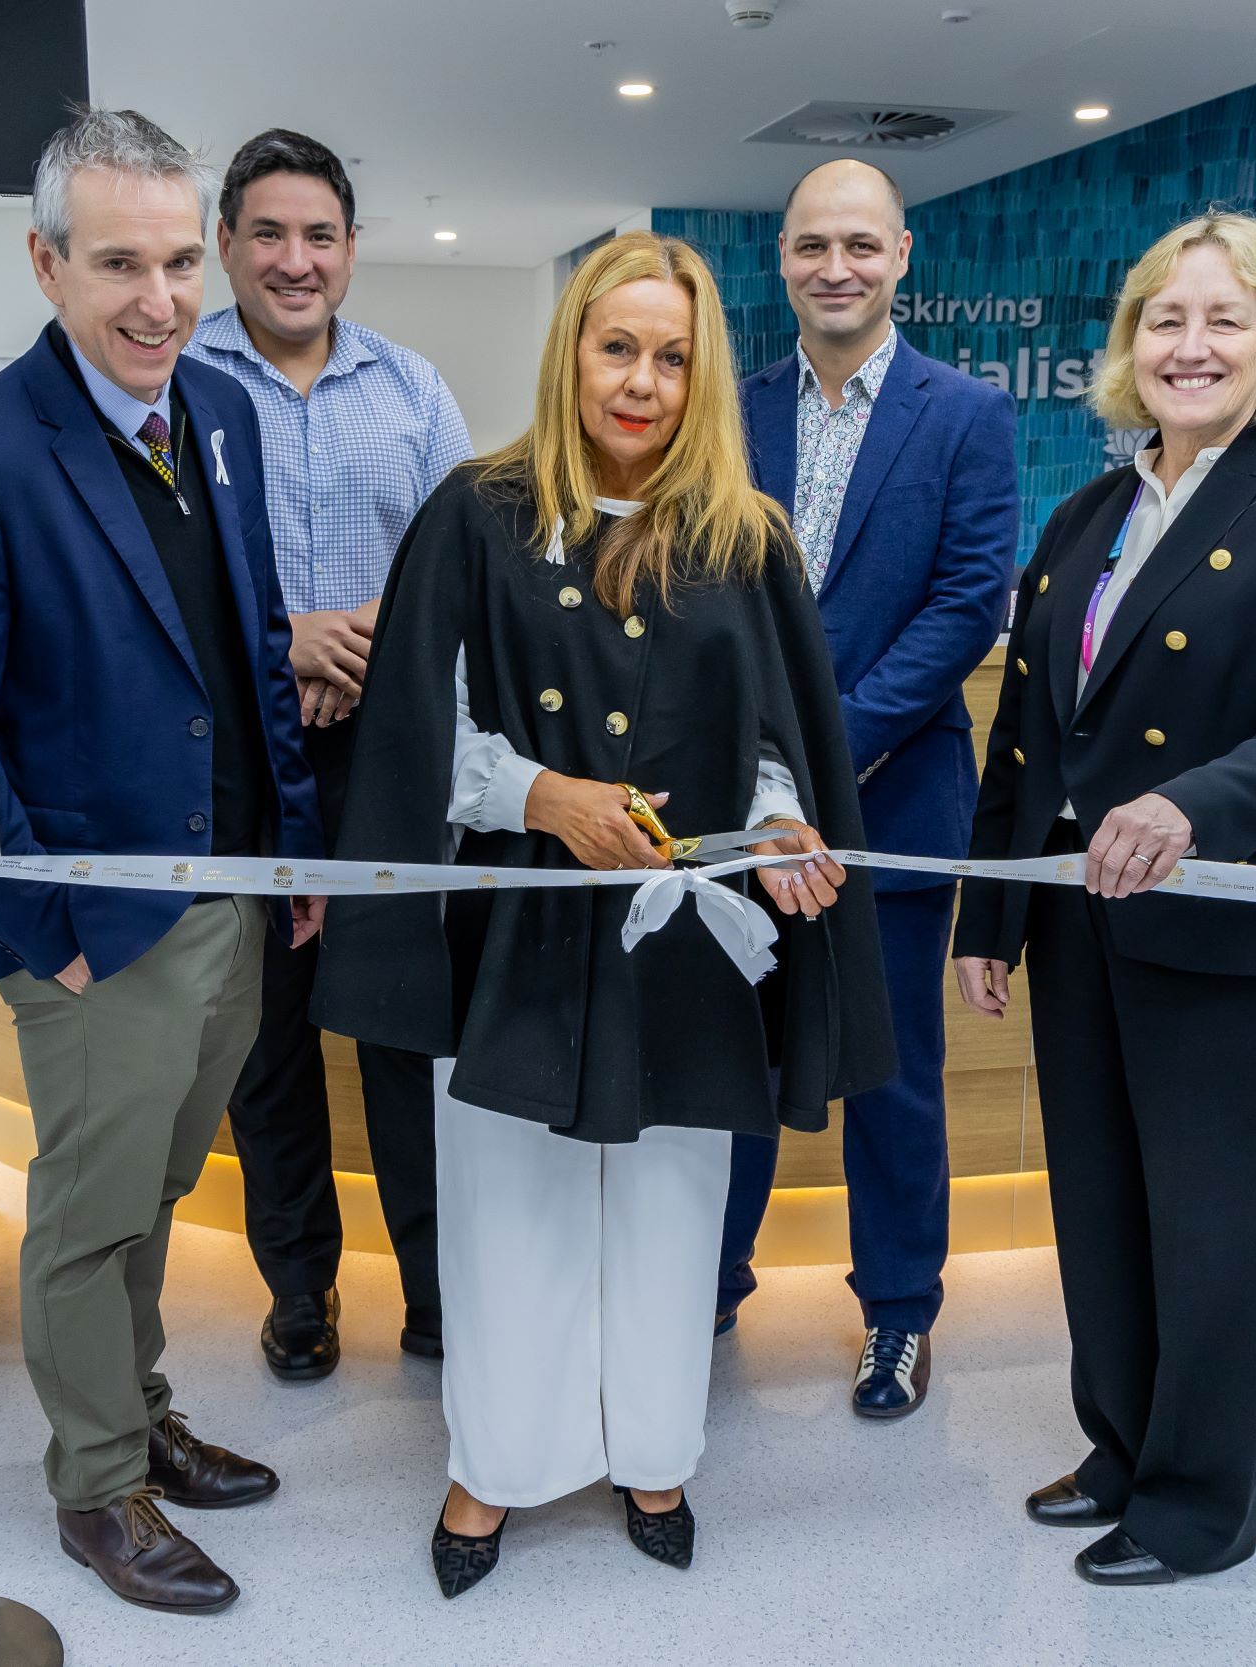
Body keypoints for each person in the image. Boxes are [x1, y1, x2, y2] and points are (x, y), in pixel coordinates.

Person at [317, 231, 897, 1598]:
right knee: (504, 1208)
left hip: (685, 945)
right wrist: (542, 793)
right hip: (514, 936)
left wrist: (780, 824)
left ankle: (654, 1449)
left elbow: (771, 744)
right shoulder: (477, 514)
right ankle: (493, 1464)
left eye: (672, 355)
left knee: (670, 1204)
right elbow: (421, 737)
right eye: (617, 346)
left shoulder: (745, 542)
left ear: (700, 377)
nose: (641, 380)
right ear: (571, 348)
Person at [951, 211, 1256, 1586]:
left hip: (1236, 922)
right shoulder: (1089, 511)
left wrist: (1194, 802)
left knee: (1218, 1227)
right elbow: (1026, 730)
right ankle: (1123, 1444)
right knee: (1101, 1205)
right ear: (1129, 345)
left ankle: (1198, 1503)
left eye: (1223, 320)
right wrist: (991, 915)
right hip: (1085, 919)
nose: (1189, 346)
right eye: (1164, 319)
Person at [0, 107, 323, 1615]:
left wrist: (291, 855)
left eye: (177, 261)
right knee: (89, 1208)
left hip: (226, 892)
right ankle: (98, 1483)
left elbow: (253, 650)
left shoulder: (213, 411)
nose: (158, 298)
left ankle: (139, 1406)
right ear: (46, 262)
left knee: (160, 1183)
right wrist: (46, 926)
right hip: (98, 921)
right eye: (118, 264)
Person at [714, 160, 1018, 1417]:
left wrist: (825, 760)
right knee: (727, 1057)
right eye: (809, 246)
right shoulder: (728, 414)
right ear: (779, 259)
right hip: (741, 805)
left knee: (889, 1073)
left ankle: (898, 1311)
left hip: (894, 800)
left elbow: (964, 609)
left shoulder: (967, 414)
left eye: (859, 245)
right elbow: (702, 609)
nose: (834, 268)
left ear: (902, 255)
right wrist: (767, 776)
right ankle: (706, 1284)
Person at [185, 129, 471, 1379]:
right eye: (267, 234)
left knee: (407, 1033)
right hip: (241, 766)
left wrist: (376, 639)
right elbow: (156, 585)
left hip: (390, 767)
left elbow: (470, 582)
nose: (293, 261)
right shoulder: (174, 388)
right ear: (226, 245)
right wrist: (281, 637)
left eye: (318, 236)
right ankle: (299, 1286)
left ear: (350, 250)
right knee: (267, 1040)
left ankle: (436, 1285)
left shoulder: (414, 394)